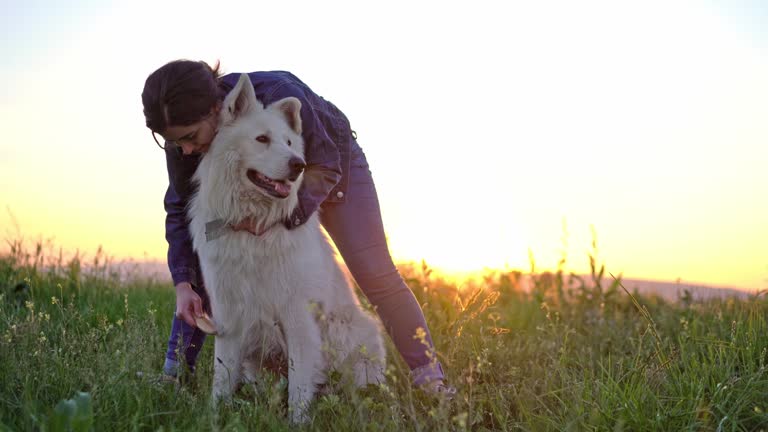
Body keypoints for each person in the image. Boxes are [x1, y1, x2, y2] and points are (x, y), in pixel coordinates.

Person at [141, 60, 454, 396]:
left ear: (217, 110)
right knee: (206, 263)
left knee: (375, 274)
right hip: (257, 182)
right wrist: (183, 282)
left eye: (189, 137)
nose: (185, 149)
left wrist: (280, 218)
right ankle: (175, 376)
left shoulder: (278, 92)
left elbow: (326, 164)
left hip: (330, 173)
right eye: (173, 143)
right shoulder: (185, 141)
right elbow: (184, 211)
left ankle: (429, 379)